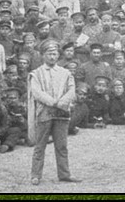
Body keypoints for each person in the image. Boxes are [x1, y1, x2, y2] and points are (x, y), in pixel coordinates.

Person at [28, 39, 81, 185]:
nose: (52, 57)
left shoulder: (65, 73)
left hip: (61, 114)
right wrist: (52, 102)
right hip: (44, 113)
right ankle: (36, 174)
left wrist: (62, 102)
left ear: (58, 55)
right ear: (43, 55)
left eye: (55, 54)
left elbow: (71, 90)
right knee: (40, 145)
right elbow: (36, 92)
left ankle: (64, 174)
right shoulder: (36, 74)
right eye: (49, 54)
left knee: (62, 145)